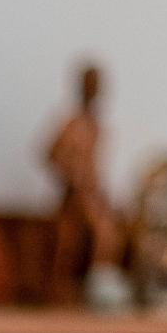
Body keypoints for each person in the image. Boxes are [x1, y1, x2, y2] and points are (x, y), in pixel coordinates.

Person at [46, 64, 125, 302]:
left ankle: (97, 286)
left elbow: (95, 168)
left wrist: (97, 190)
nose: (95, 91)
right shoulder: (71, 124)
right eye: (91, 85)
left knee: (109, 233)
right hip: (73, 196)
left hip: (92, 195)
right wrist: (72, 177)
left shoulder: (96, 127)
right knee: (75, 239)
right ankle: (62, 291)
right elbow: (51, 155)